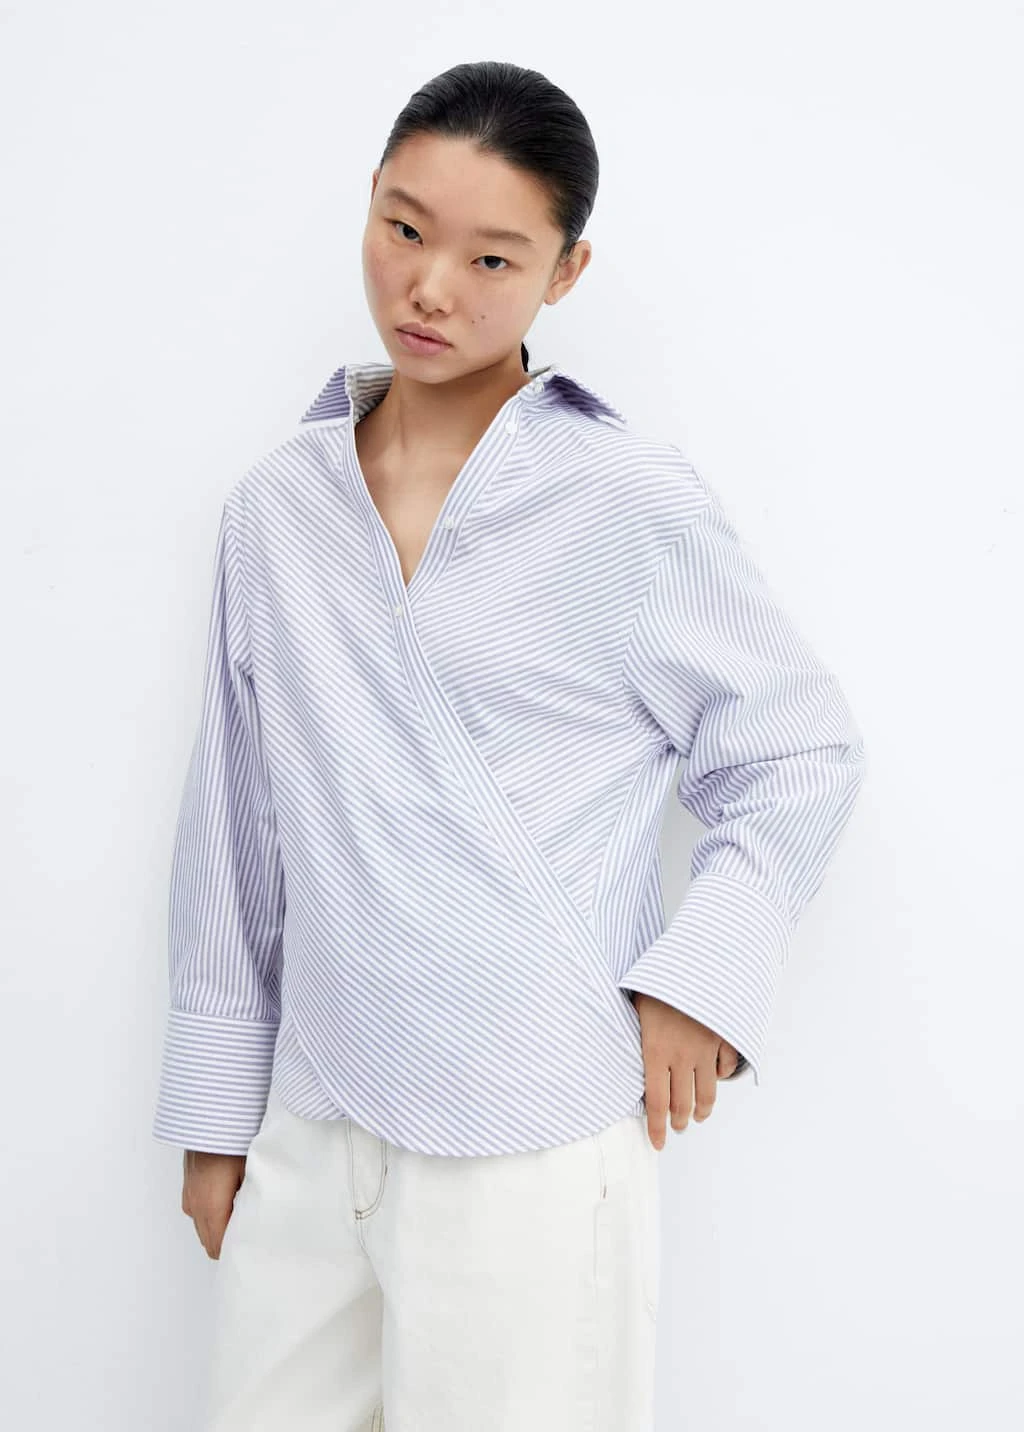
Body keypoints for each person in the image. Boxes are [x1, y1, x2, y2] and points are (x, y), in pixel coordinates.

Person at [152, 59, 866, 1432]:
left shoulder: (623, 500)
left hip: (531, 1125)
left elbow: (798, 746)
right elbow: (234, 823)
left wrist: (699, 981)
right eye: (404, 229)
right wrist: (213, 1111)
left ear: (565, 271)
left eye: (492, 258)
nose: (430, 288)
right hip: (317, 1111)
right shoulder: (276, 510)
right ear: (370, 203)